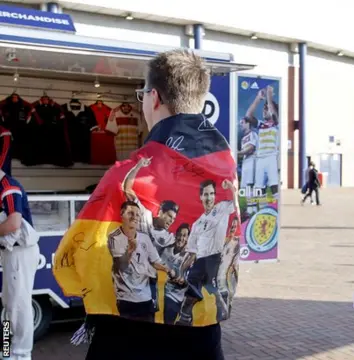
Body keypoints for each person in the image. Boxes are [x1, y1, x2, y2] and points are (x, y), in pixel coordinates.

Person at [54, 49, 240, 360]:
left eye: (141, 93)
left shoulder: (124, 175)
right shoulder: (226, 170)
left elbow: (77, 253)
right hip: (203, 333)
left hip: (131, 335)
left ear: (153, 97)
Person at [176, 179, 236, 325]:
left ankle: (221, 310)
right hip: (200, 260)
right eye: (206, 194)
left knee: (212, 287)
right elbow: (191, 253)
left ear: (215, 196)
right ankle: (184, 319)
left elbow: (235, 204)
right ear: (201, 197)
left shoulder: (222, 208)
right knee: (190, 286)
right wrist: (180, 271)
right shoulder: (197, 224)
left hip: (215, 257)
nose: (209, 198)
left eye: (212, 194)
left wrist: (231, 187)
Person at [107, 201, 176, 322]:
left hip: (146, 297)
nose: (134, 217)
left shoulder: (144, 237)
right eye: (130, 213)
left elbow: (155, 261)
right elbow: (121, 266)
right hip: (126, 298)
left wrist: (167, 269)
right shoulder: (114, 237)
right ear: (122, 214)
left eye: (137, 214)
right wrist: (129, 250)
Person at [0, 171, 39, 360]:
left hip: (20, 253)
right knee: (9, 304)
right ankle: (7, 349)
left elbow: (13, 223)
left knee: (18, 306)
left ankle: (21, 355)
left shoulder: (9, 186)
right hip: (9, 252)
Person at [162, 223, 191, 325]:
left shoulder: (189, 256)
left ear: (188, 238)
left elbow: (189, 281)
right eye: (179, 234)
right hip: (160, 291)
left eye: (184, 236)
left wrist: (181, 280)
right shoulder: (166, 249)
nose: (181, 238)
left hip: (174, 296)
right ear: (176, 235)